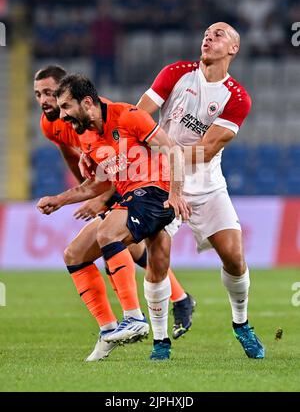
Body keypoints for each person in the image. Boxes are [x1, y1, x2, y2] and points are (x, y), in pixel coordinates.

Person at [34, 66, 197, 347]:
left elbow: (171, 149)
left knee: (110, 234)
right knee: (76, 253)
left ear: (84, 101)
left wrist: (176, 192)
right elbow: (96, 177)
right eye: (39, 95)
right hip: (128, 193)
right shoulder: (73, 131)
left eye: (52, 95)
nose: (52, 107)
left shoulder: (125, 115)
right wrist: (59, 200)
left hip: (154, 192)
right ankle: (112, 329)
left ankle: (136, 317)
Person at [137, 22, 265, 359]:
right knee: (158, 256)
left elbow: (207, 150)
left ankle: (242, 324)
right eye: (207, 33)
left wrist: (170, 152)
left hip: (206, 185)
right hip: (161, 182)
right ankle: (161, 342)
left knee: (235, 259)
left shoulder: (237, 98)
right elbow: (139, 117)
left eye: (219, 34)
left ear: (233, 49)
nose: (209, 37)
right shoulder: (175, 73)